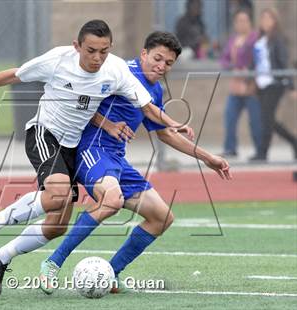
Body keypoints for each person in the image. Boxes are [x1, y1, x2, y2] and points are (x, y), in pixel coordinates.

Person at [0, 20, 192, 296]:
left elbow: (146, 107)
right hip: (45, 133)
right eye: (91, 51)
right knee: (58, 195)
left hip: (73, 145)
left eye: (104, 51)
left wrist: (173, 123)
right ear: (77, 46)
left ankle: (0, 257)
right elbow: (16, 74)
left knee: (57, 225)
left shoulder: (116, 70)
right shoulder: (58, 59)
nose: (97, 58)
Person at [38, 31, 232, 295]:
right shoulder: (118, 71)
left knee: (161, 217)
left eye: (168, 63)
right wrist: (104, 123)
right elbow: (78, 98)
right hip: (91, 150)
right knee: (112, 200)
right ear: (144, 54)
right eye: (157, 58)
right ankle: (53, 262)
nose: (161, 66)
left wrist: (208, 157)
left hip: (116, 159)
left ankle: (110, 273)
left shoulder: (154, 89)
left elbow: (164, 134)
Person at [252, 8, 297, 161]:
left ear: (275, 21)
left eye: (269, 18)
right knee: (267, 119)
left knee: (267, 118)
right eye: (263, 18)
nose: (265, 21)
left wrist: (291, 86)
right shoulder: (260, 39)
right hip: (262, 85)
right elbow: (258, 63)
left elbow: (284, 62)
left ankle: (262, 153)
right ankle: (292, 141)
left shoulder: (278, 39)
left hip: (275, 83)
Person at [220, 10, 261, 158]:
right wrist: (232, 67)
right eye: (238, 21)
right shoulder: (232, 40)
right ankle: (230, 148)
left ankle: (260, 150)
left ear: (250, 22)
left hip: (250, 86)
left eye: (244, 20)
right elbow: (223, 59)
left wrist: (248, 72)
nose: (241, 24)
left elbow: (258, 59)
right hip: (235, 86)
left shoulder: (255, 38)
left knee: (255, 121)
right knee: (229, 117)